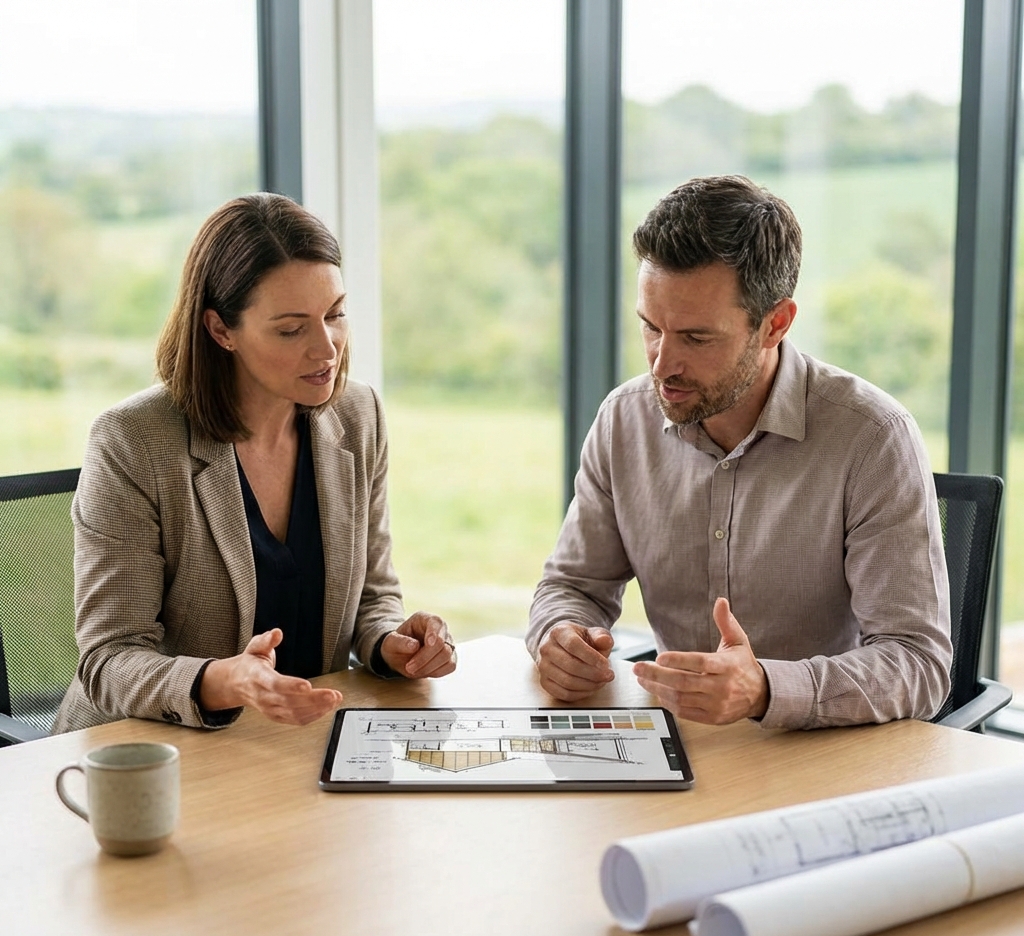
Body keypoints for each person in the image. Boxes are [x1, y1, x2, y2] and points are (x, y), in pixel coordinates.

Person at [526, 175, 952, 730]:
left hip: (820, 759)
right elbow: (571, 587)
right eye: (651, 327)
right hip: (685, 746)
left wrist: (767, 689)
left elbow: (918, 663)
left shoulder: (872, 437)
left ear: (774, 324)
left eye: (696, 338)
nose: (661, 363)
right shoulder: (623, 419)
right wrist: (561, 636)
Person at [54, 193, 456, 733]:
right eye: (292, 329)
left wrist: (392, 644)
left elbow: (371, 596)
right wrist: (228, 680)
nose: (327, 348)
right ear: (221, 330)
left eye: (335, 314)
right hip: (149, 753)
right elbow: (109, 660)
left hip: (297, 742)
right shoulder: (133, 441)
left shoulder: (358, 415)